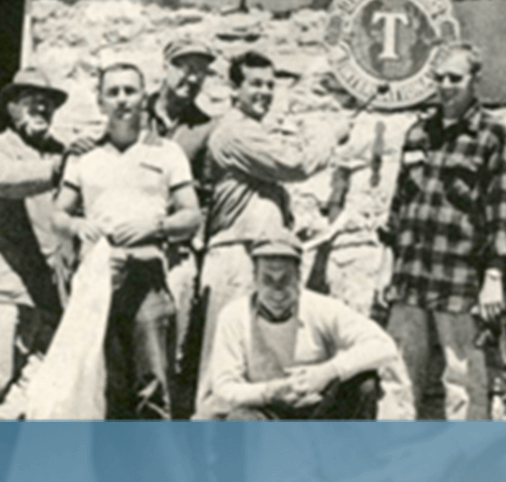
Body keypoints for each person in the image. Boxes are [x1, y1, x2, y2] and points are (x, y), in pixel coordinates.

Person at [194, 50, 351, 417]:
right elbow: (293, 164)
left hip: (258, 259)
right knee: (220, 371)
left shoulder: (254, 131)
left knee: (253, 368)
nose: (264, 92)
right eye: (255, 84)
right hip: (235, 258)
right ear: (234, 90)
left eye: (270, 85)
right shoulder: (235, 131)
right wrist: (330, 135)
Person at [52, 62, 202, 419]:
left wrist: (157, 226)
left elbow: (192, 216)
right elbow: (58, 215)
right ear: (100, 101)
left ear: (143, 97)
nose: (122, 100)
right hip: (97, 285)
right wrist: (77, 227)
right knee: (100, 385)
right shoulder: (84, 156)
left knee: (151, 387)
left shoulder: (166, 152)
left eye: (130, 91)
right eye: (113, 92)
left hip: (147, 282)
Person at [378, 42, 506, 420]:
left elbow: (500, 212)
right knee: (397, 375)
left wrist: (493, 274)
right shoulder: (418, 133)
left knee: (463, 377)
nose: (445, 85)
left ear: (475, 81)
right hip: (410, 275)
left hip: (458, 276)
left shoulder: (493, 137)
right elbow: (398, 207)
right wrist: (385, 266)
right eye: (439, 78)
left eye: (455, 78)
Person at [0, 67, 79, 421]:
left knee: (37, 391)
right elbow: (1, 179)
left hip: (51, 297)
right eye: (31, 102)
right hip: (1, 290)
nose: (41, 110)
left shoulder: (61, 153)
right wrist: (58, 171)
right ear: (11, 107)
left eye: (47, 105)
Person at [207, 232, 398, 420]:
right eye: (268, 280)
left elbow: (384, 346)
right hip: (267, 412)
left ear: (299, 277)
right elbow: (224, 388)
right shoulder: (234, 316)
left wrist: (327, 372)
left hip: (317, 411)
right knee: (241, 419)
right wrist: (270, 392)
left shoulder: (320, 307)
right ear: (254, 279)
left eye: (285, 280)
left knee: (364, 384)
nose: (277, 292)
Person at [145, 37, 218, 417]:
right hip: (129, 247)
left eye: (201, 71)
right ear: (166, 66)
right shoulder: (133, 112)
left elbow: (206, 197)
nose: (192, 78)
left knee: (173, 349)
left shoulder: (205, 129)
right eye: (185, 67)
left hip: (175, 251)